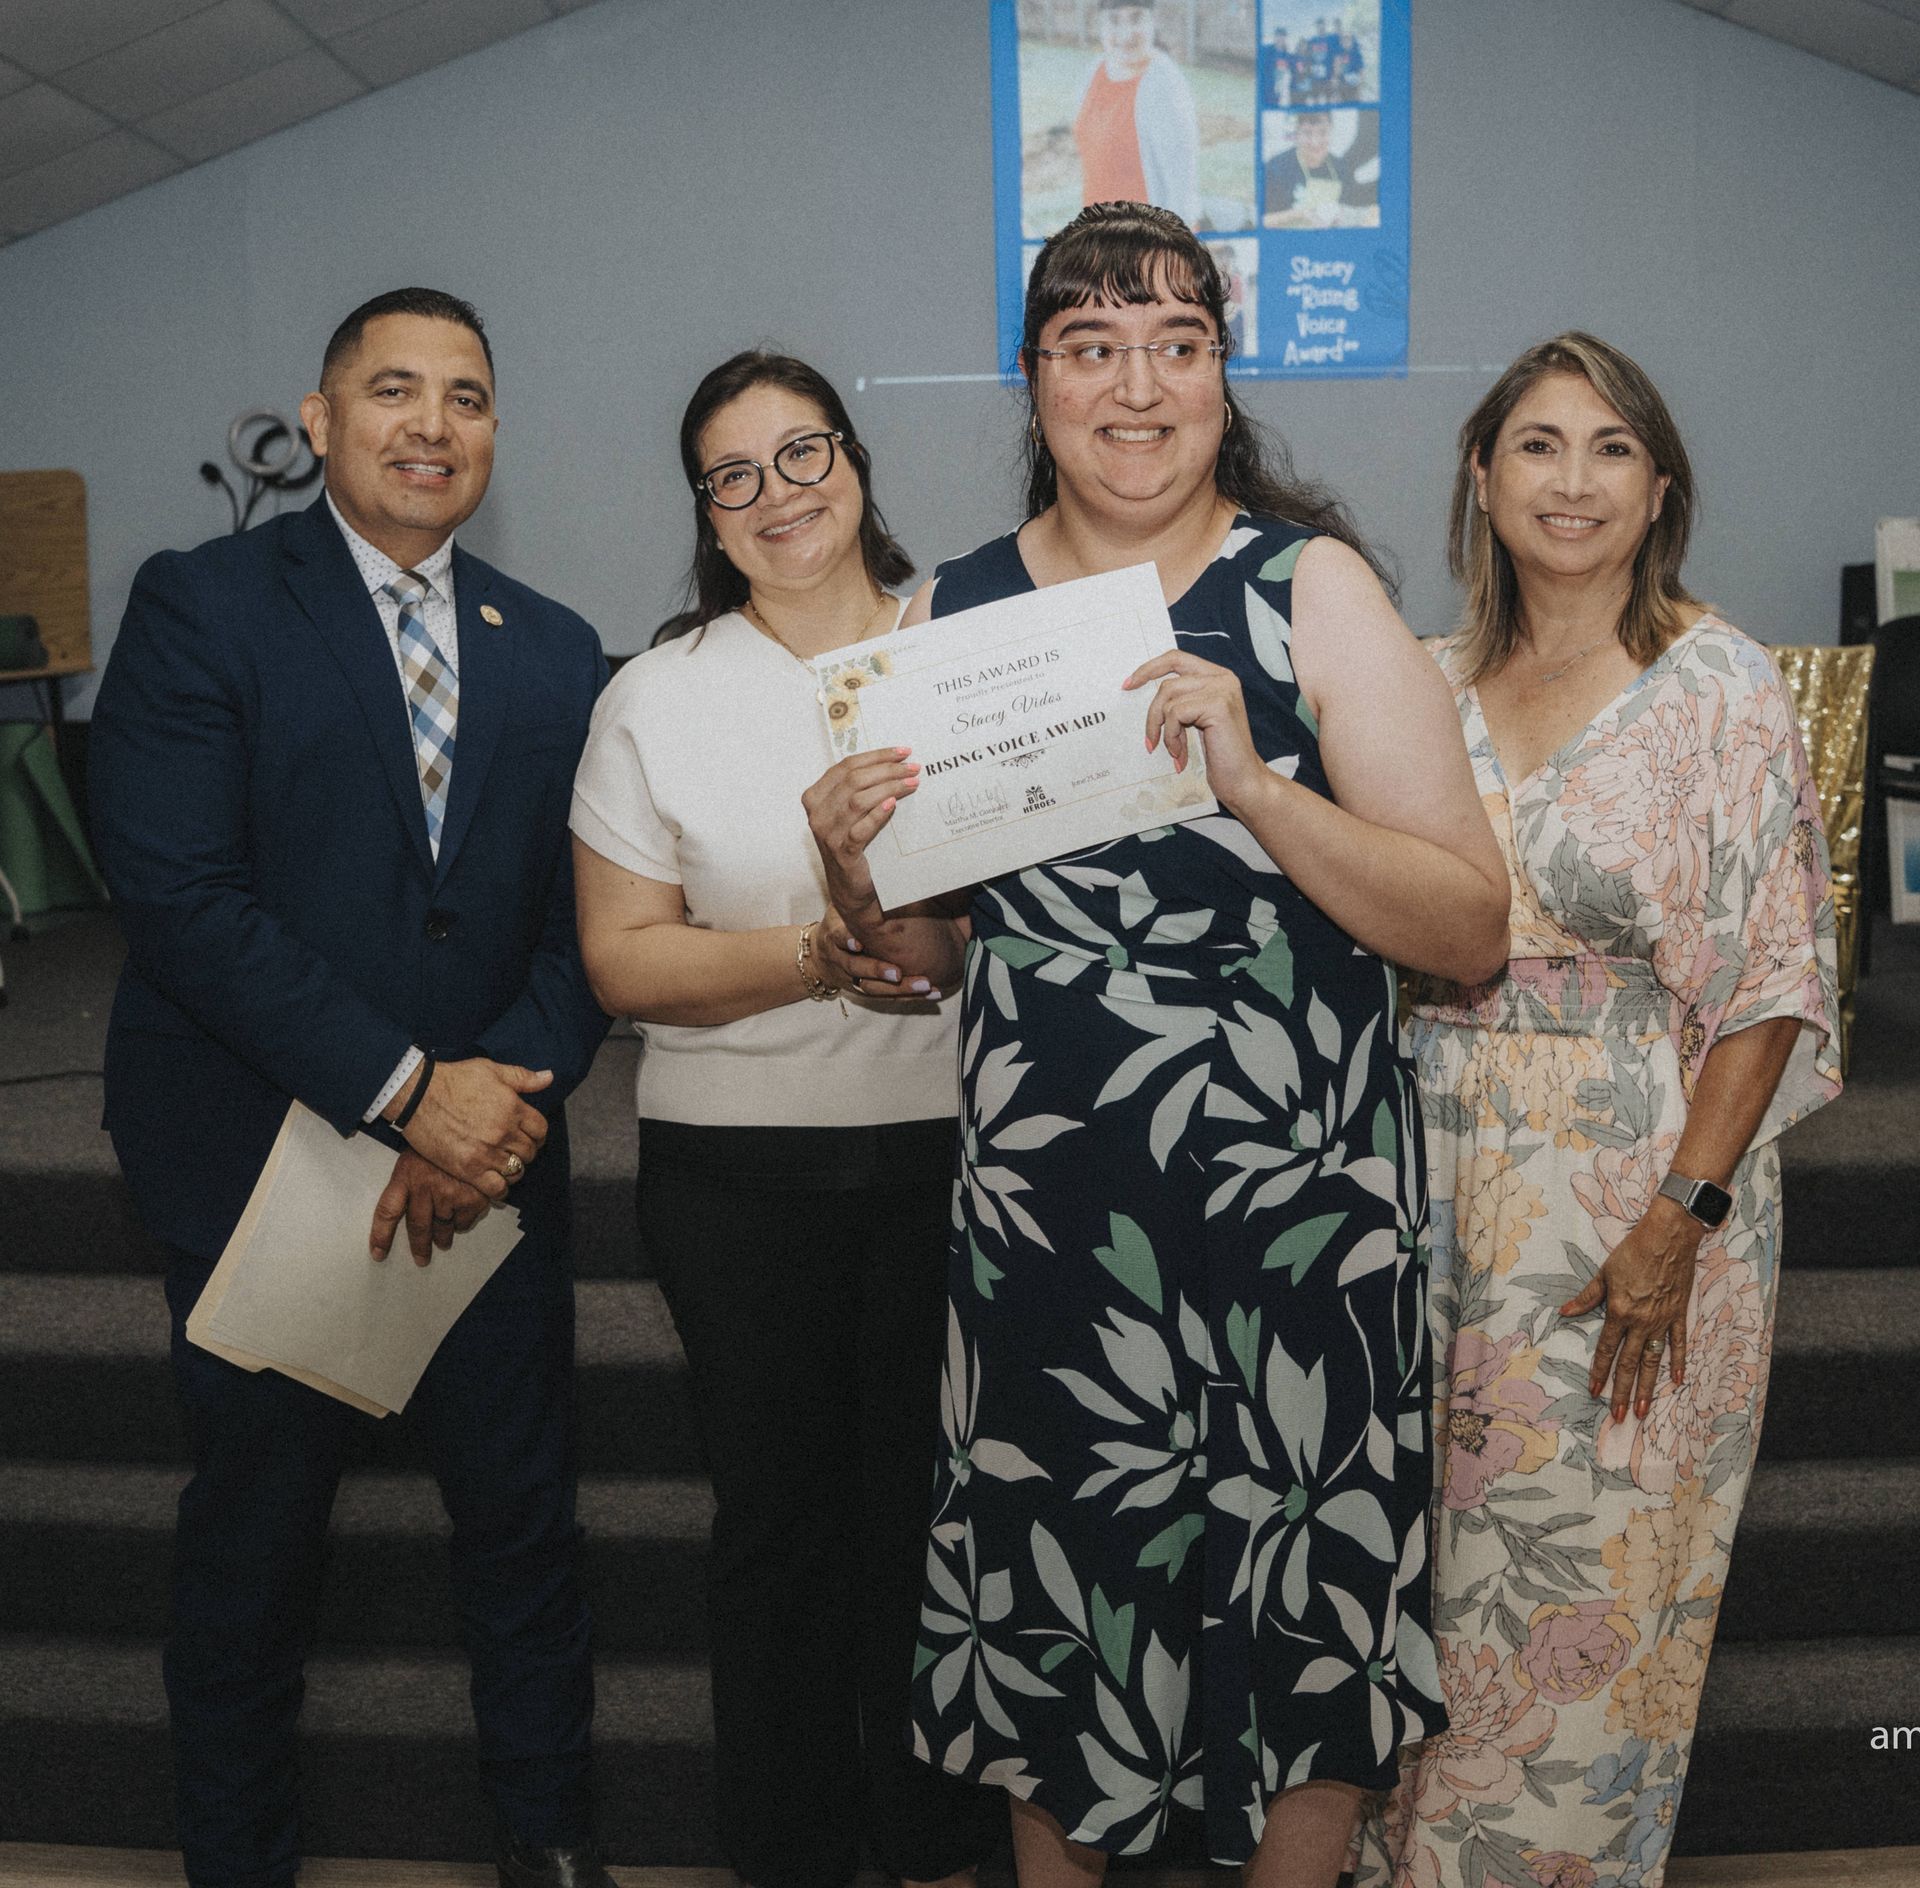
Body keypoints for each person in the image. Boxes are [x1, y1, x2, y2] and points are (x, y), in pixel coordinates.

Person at [803, 201, 1510, 1886]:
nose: (1137, 387)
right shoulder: (952, 617)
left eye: (1177, 344)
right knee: (1062, 1599)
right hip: (1059, 1221)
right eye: (1092, 347)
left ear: (1222, 374)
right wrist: (849, 858)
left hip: (1298, 1211)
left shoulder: (1307, 588)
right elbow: (922, 948)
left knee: (1309, 1600)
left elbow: (1468, 924)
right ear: (1031, 377)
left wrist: (1260, 784)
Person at [89, 288, 615, 1888]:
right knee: (258, 1546)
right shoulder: (203, 602)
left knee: (524, 1534)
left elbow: (575, 924)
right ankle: (236, 1861)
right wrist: (406, 1092)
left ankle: (552, 1845)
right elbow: (177, 893)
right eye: (392, 391)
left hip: (491, 1166)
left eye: (465, 396)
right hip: (259, 1155)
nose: (430, 425)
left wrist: (487, 1110)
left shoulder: (562, 647)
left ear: (496, 434)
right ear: (319, 422)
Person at [1350, 334, 1841, 1888]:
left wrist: (1677, 1218)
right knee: (1414, 1577)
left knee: (1591, 1592)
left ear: (1662, 487)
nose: (1573, 481)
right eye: (1540, 445)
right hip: (1421, 1179)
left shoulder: (1719, 684)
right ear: (1481, 479)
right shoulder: (1413, 684)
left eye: (1612, 447)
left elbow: (1770, 977)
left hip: (1635, 1190)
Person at [569, 352, 994, 1888]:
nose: (776, 493)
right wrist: (812, 956)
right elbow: (623, 959)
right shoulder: (658, 694)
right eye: (732, 474)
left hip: (960, 1161)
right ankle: (793, 1853)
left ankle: (935, 1842)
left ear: (857, 459)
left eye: (800, 451)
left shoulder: (976, 641)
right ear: (705, 512)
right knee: (780, 1530)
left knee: (932, 1525)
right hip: (736, 1180)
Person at [1073, 0, 1201, 228]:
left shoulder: (1164, 84)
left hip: (1142, 241)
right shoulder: (1095, 70)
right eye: (1114, 20)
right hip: (1097, 235)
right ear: (1100, 24)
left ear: (1153, 20)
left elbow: (1182, 185)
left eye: (1136, 18)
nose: (1126, 33)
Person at [1263, 112, 1356, 229]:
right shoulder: (1274, 168)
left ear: (1331, 131)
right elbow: (1263, 220)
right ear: (1296, 134)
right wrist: (1298, 215)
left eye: (1323, 133)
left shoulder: (1342, 168)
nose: (1315, 142)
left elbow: (1350, 210)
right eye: (1307, 133)